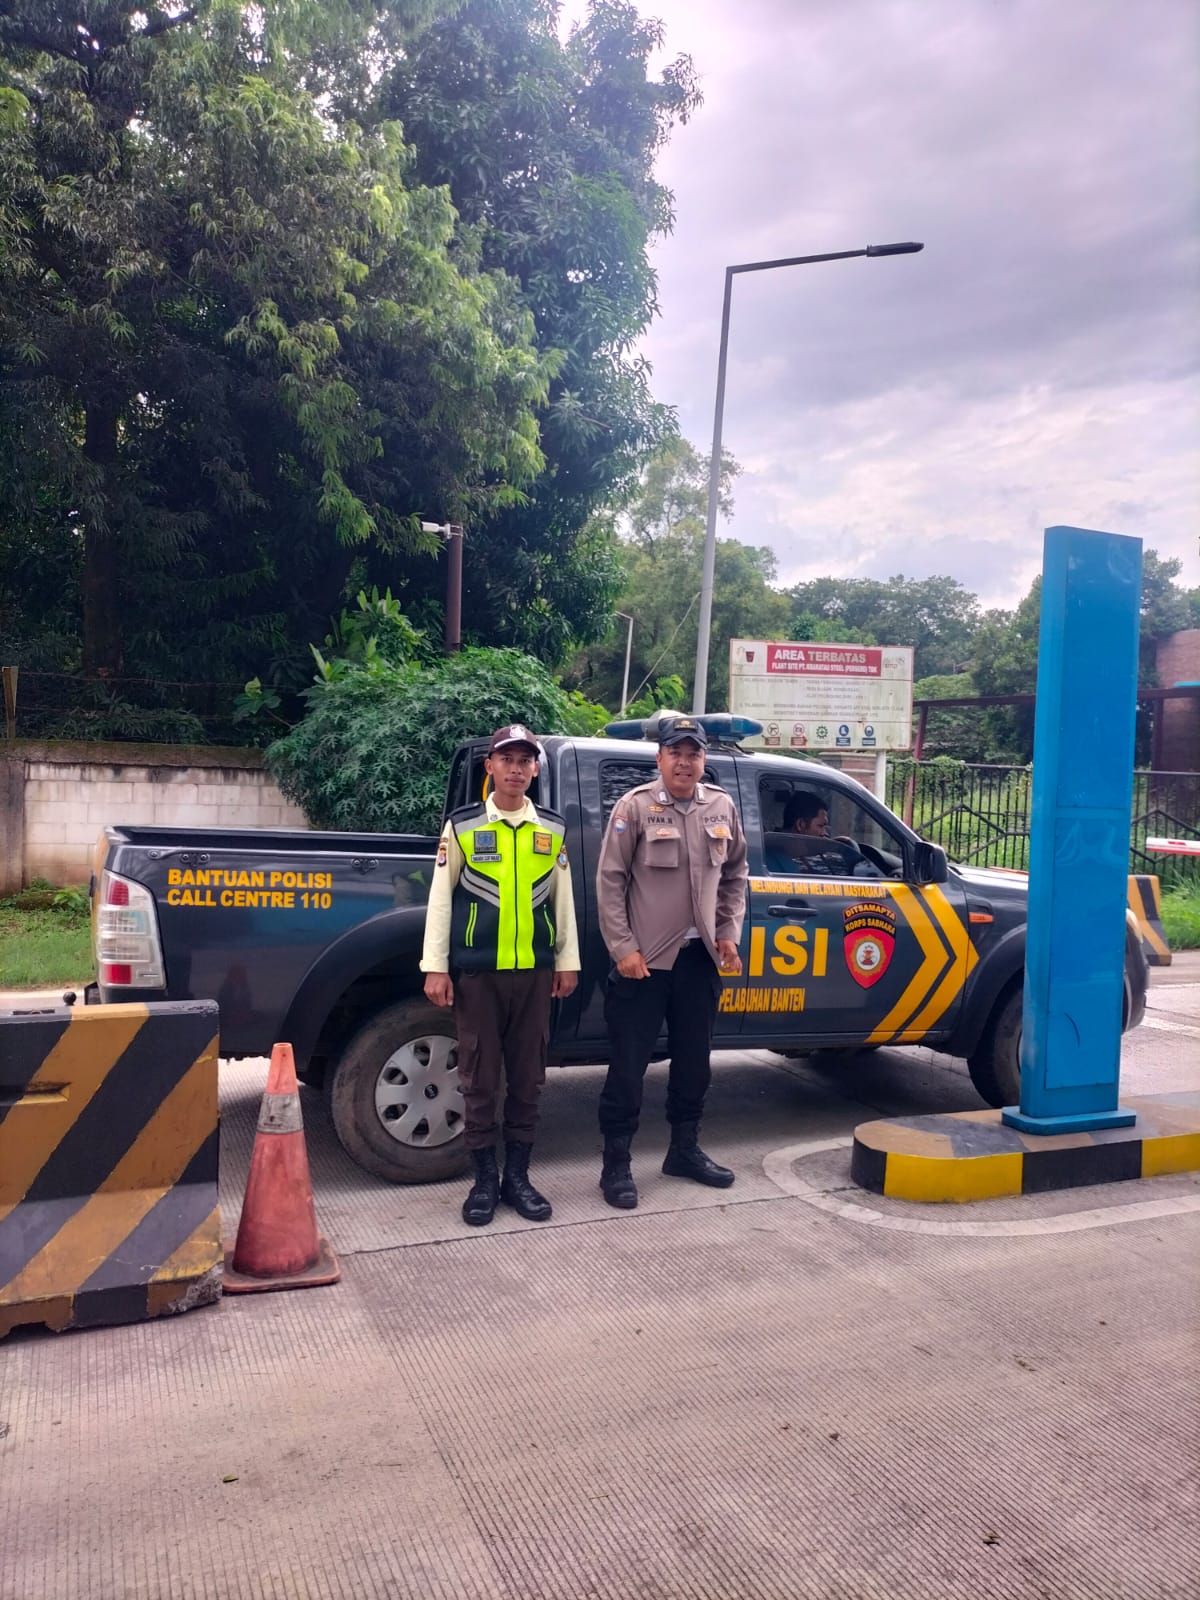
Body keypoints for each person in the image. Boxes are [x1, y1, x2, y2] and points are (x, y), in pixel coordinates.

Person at [420, 724, 580, 1227]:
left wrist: (567, 961)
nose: (515, 769)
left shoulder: (551, 829)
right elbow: (440, 901)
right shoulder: (463, 826)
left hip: (534, 974)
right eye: (506, 759)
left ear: (535, 769)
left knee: (529, 1078)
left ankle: (518, 1178)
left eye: (524, 760)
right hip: (478, 975)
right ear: (489, 766)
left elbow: (563, 901)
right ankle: (484, 1181)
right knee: (479, 1077)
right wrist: (436, 966)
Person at [594, 714, 749, 1209]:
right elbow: (610, 881)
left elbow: (735, 875)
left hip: (699, 961)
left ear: (704, 759)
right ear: (659, 758)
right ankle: (616, 1164)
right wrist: (623, 948)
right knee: (628, 1067)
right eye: (676, 753)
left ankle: (684, 1150)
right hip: (644, 963)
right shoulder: (635, 806)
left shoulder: (720, 806)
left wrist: (727, 933)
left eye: (693, 753)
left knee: (694, 1063)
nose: (685, 761)